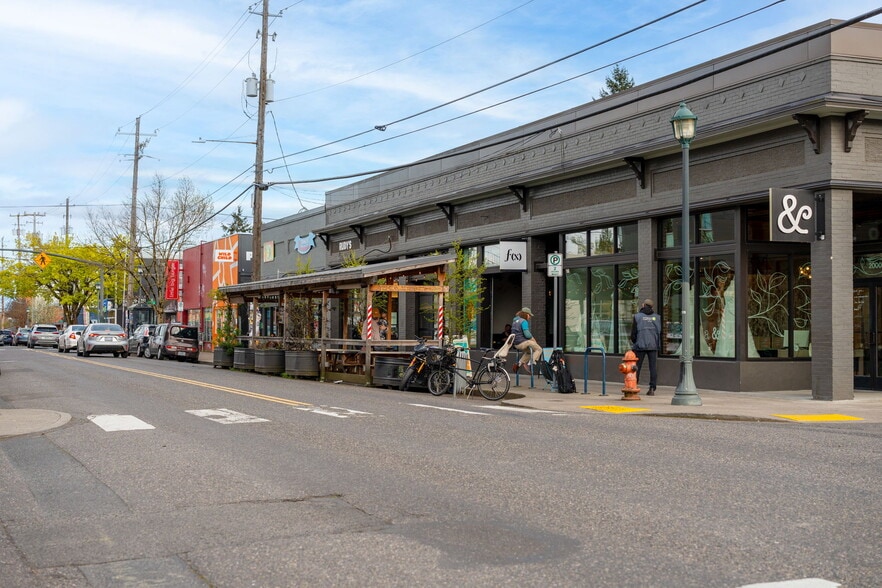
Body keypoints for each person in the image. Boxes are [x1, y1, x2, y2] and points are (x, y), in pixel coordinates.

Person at [630, 298, 661, 395]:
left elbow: (633, 333)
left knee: (637, 367)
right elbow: (660, 332)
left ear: (643, 305)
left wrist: (635, 341)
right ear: (652, 307)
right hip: (653, 345)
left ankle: (634, 385)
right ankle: (652, 388)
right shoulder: (657, 317)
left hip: (640, 345)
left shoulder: (637, 317)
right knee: (652, 367)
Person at [511, 308, 542, 374]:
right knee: (539, 349)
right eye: (529, 315)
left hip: (516, 344)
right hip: (522, 342)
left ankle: (519, 364)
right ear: (526, 314)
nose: (530, 317)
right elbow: (527, 335)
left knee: (529, 352)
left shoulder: (515, 321)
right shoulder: (523, 321)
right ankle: (530, 363)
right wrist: (533, 340)